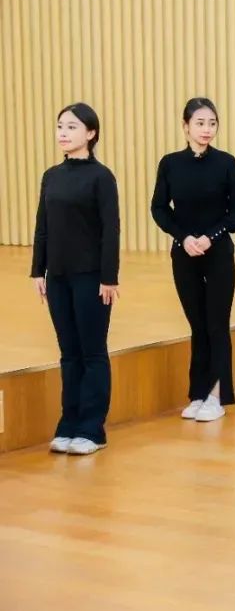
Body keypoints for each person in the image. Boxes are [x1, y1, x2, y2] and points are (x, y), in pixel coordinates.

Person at [151, 98, 235, 420]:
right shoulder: (170, 164)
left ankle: (217, 395)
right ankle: (197, 393)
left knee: (216, 323)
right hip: (184, 252)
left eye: (212, 123)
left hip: (218, 252)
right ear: (186, 126)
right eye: (200, 123)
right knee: (197, 324)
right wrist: (184, 238)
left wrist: (211, 237)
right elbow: (159, 208)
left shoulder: (226, 163)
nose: (206, 129)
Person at [31, 103, 120, 455]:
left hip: (91, 276)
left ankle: (92, 428)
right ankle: (68, 422)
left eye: (71, 127)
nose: (63, 133)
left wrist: (109, 277)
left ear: (91, 133)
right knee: (68, 353)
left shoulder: (102, 177)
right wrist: (38, 269)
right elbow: (43, 226)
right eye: (60, 126)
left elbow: (111, 230)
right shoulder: (51, 176)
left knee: (92, 351)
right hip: (58, 276)